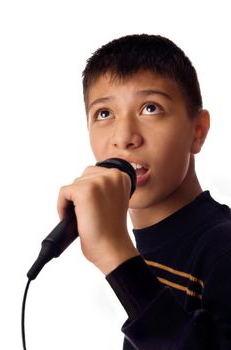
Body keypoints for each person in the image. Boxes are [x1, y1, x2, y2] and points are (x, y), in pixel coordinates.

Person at [57, 34, 231, 349]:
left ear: (198, 131)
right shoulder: (146, 249)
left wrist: (115, 254)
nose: (124, 138)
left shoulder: (222, 249)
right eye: (104, 114)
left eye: (150, 108)